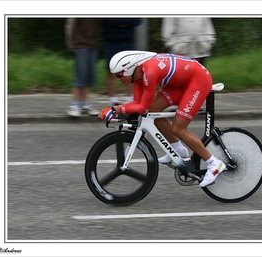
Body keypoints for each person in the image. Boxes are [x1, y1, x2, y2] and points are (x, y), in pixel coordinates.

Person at [99, 51, 226, 187]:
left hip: (198, 81)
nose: (118, 79)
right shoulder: (138, 74)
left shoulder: (149, 72)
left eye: (119, 75)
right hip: (182, 82)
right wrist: (115, 109)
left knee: (178, 128)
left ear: (129, 68)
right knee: (153, 110)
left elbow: (141, 107)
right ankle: (178, 149)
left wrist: (116, 109)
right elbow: (138, 104)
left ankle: (214, 163)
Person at [102, 18, 142, 106]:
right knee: (110, 70)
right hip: (111, 40)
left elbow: (137, 20)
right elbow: (108, 20)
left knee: (130, 71)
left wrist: (119, 23)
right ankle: (112, 99)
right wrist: (125, 23)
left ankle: (128, 98)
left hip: (127, 40)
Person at [65, 18, 100, 117]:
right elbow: (70, 25)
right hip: (80, 44)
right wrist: (71, 43)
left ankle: (84, 104)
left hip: (92, 45)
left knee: (88, 76)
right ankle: (74, 104)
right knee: (80, 74)